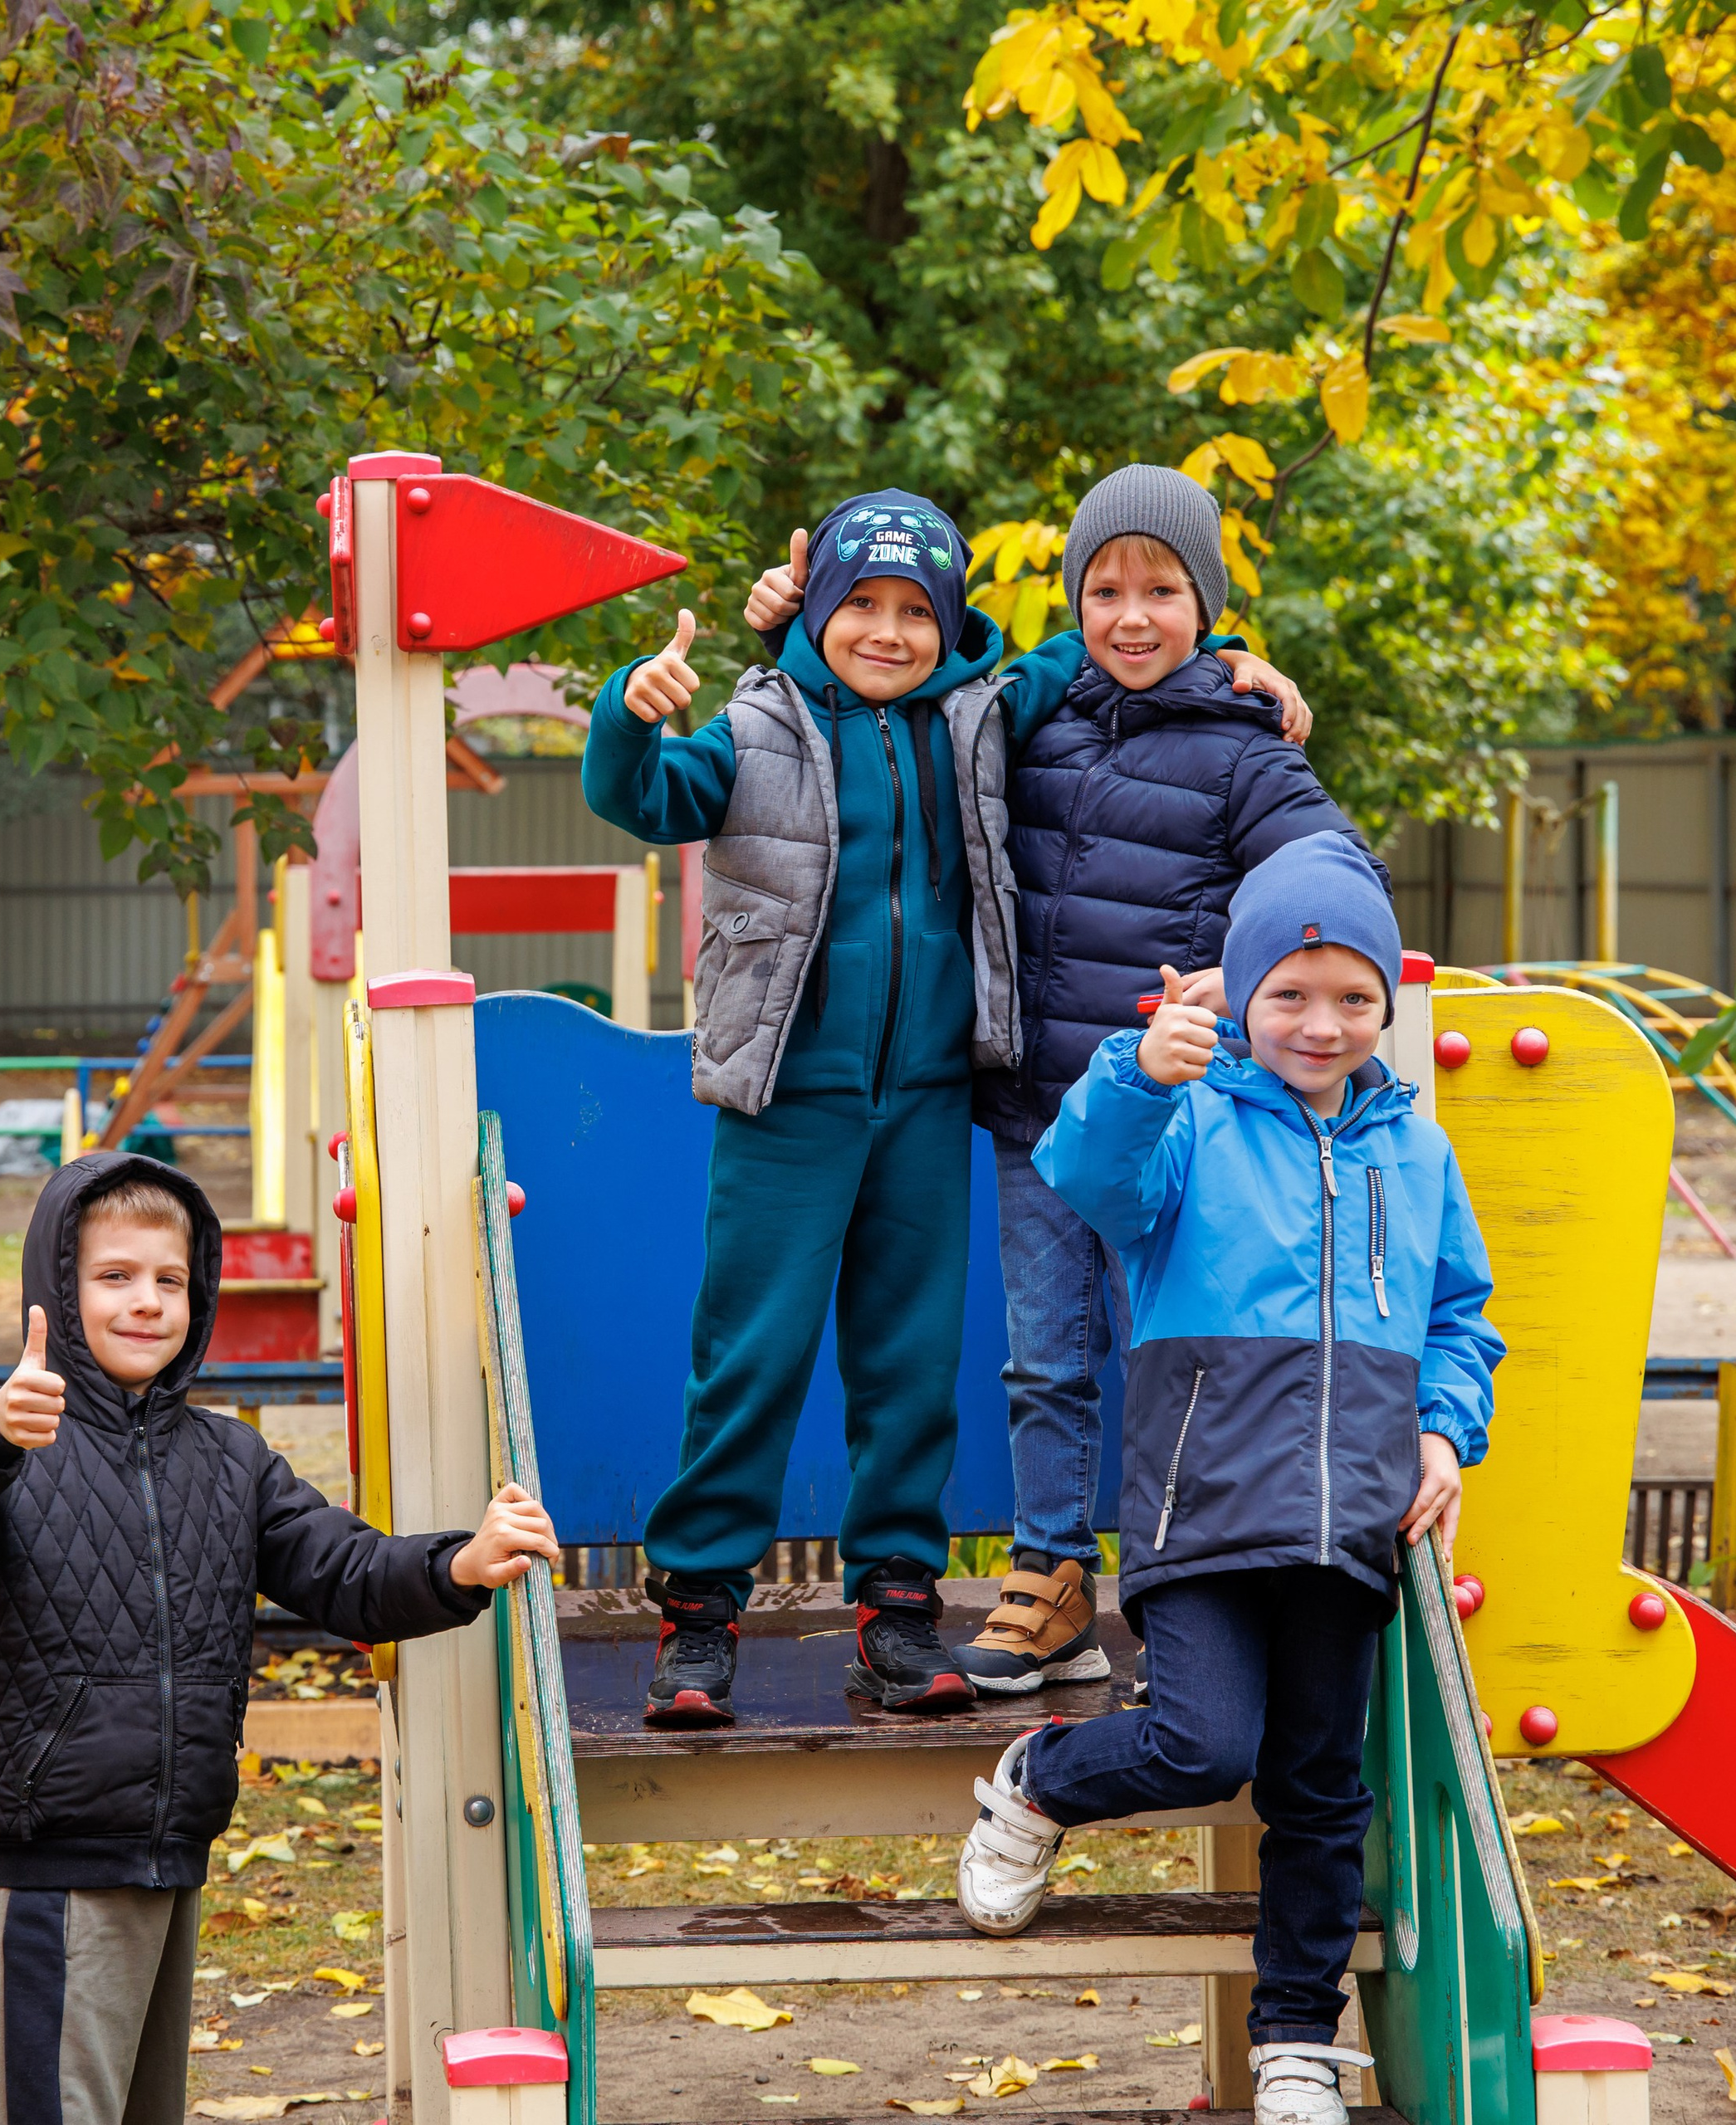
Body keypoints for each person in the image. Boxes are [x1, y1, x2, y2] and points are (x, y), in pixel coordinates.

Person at [585, 486, 1306, 1727]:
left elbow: (1116, 645)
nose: (888, 631)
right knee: (750, 1360)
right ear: (813, 612)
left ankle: (898, 1611)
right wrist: (627, 718)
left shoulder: (983, 716)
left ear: (952, 625)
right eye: (859, 604)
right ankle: (699, 1620)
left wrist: (1237, 658)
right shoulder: (756, 725)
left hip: (924, 1100)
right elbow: (648, 798)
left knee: (910, 1368)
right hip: (787, 1100)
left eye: (917, 610)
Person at [744, 465, 1381, 1698]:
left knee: (1166, 1360)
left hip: (1175, 1132)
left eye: (1164, 590)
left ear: (1207, 603)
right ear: (1073, 600)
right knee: (1043, 1361)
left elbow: (1337, 885)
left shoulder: (1246, 754)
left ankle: (1179, 1589)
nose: (1132, 616)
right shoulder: (1027, 716)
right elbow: (887, 702)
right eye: (1105, 589)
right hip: (1041, 1113)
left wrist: (1244, 987)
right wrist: (782, 620)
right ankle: (1050, 1585)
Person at [953, 831, 1503, 2125]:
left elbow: (1459, 1315)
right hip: (1202, 1508)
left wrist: (1440, 1430)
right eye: (1292, 996)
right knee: (1207, 1743)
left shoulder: (1414, 1151)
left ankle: (1296, 2041)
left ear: (1386, 1006)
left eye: (1355, 999)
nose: (1323, 1024)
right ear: (1243, 994)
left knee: (1323, 1787)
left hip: (1354, 1518)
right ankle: (1039, 1781)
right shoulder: (1190, 1119)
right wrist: (1138, 1073)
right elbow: (1086, 1174)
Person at [0, 1152, 558, 2125]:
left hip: (171, 1840)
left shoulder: (230, 1459)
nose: (145, 1302)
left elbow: (343, 1572)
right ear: (55, 1294)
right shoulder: (13, 1439)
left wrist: (460, 1564)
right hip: (54, 1854)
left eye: (169, 1280)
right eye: (113, 1277)